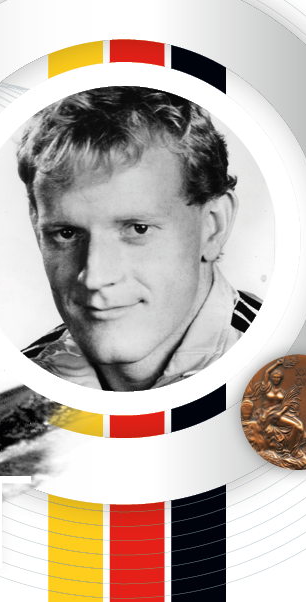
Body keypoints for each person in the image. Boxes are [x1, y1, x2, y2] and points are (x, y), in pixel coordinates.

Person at [16, 86, 260, 391]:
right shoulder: (11, 389)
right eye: (66, 234)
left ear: (213, 225)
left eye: (137, 229)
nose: (95, 278)